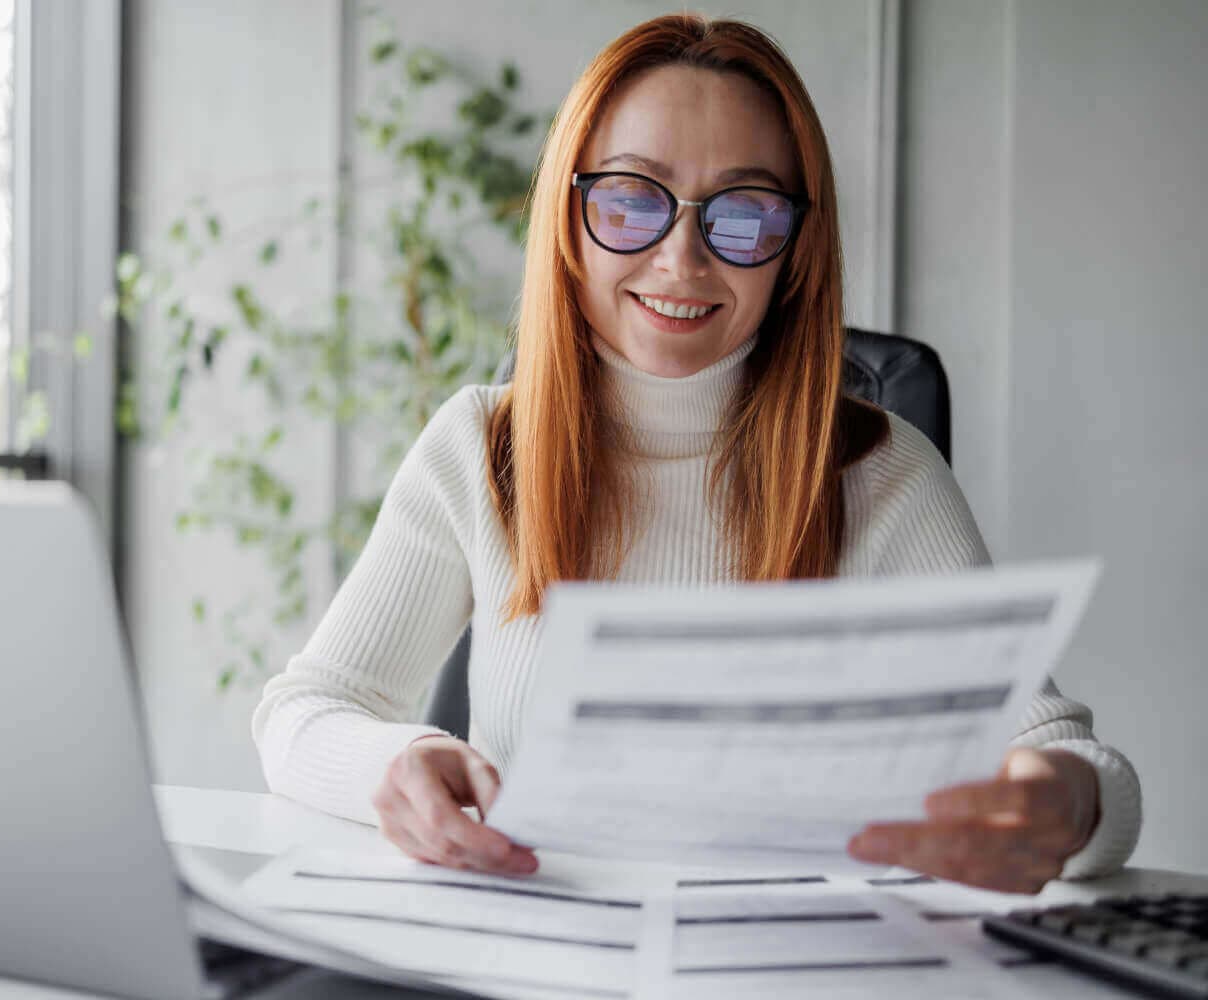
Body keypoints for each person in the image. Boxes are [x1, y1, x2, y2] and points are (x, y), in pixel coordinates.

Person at [252, 14, 1141, 893]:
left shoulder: (880, 469)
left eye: (746, 215)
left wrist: (1067, 804)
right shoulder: (480, 446)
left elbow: (1062, 755)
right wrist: (401, 761)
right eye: (632, 200)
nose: (681, 259)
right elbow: (302, 711)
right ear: (570, 214)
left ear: (795, 251)